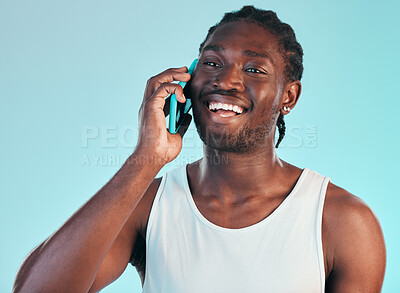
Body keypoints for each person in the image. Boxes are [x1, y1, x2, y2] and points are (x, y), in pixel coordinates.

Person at [13, 5, 386, 293]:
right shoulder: (149, 206)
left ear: (289, 96)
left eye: (254, 69)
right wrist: (146, 159)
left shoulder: (342, 221)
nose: (225, 80)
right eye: (211, 63)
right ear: (188, 81)